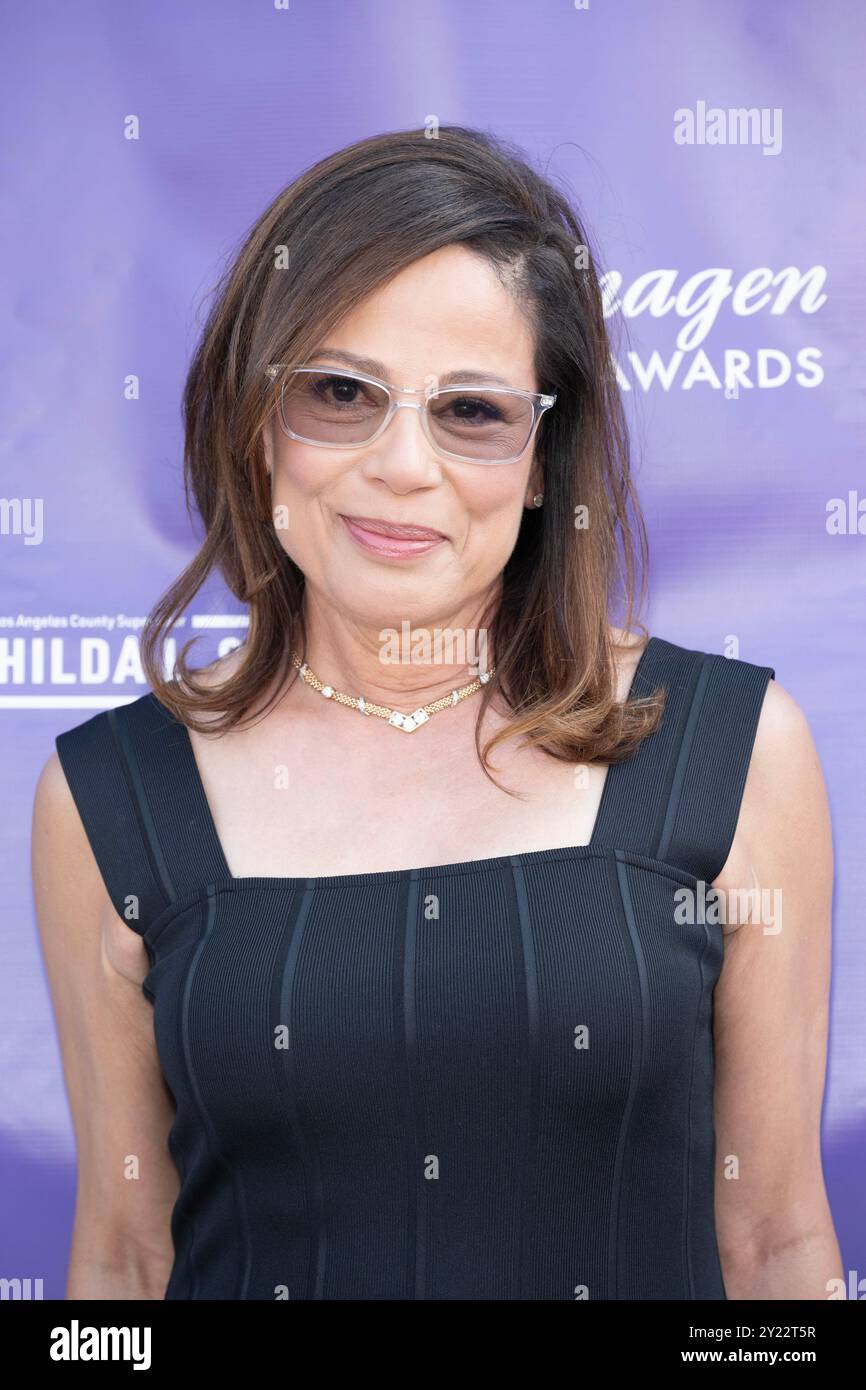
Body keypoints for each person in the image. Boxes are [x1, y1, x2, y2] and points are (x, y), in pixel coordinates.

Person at [32, 125, 839, 1301]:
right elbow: (123, 1259)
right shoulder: (106, 797)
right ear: (254, 430)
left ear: (541, 459)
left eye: (470, 412)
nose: (400, 464)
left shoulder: (733, 750)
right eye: (339, 392)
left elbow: (772, 1243)